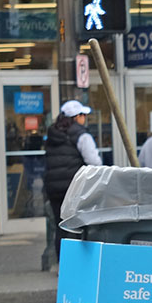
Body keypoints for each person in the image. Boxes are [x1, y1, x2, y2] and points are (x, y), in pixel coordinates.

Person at [44, 100, 103, 260]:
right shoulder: (82, 135)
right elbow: (94, 162)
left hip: (54, 189)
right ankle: (78, 264)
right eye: (83, 115)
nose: (85, 118)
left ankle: (62, 264)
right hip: (74, 188)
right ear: (76, 117)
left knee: (60, 227)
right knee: (80, 226)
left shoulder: (52, 135)